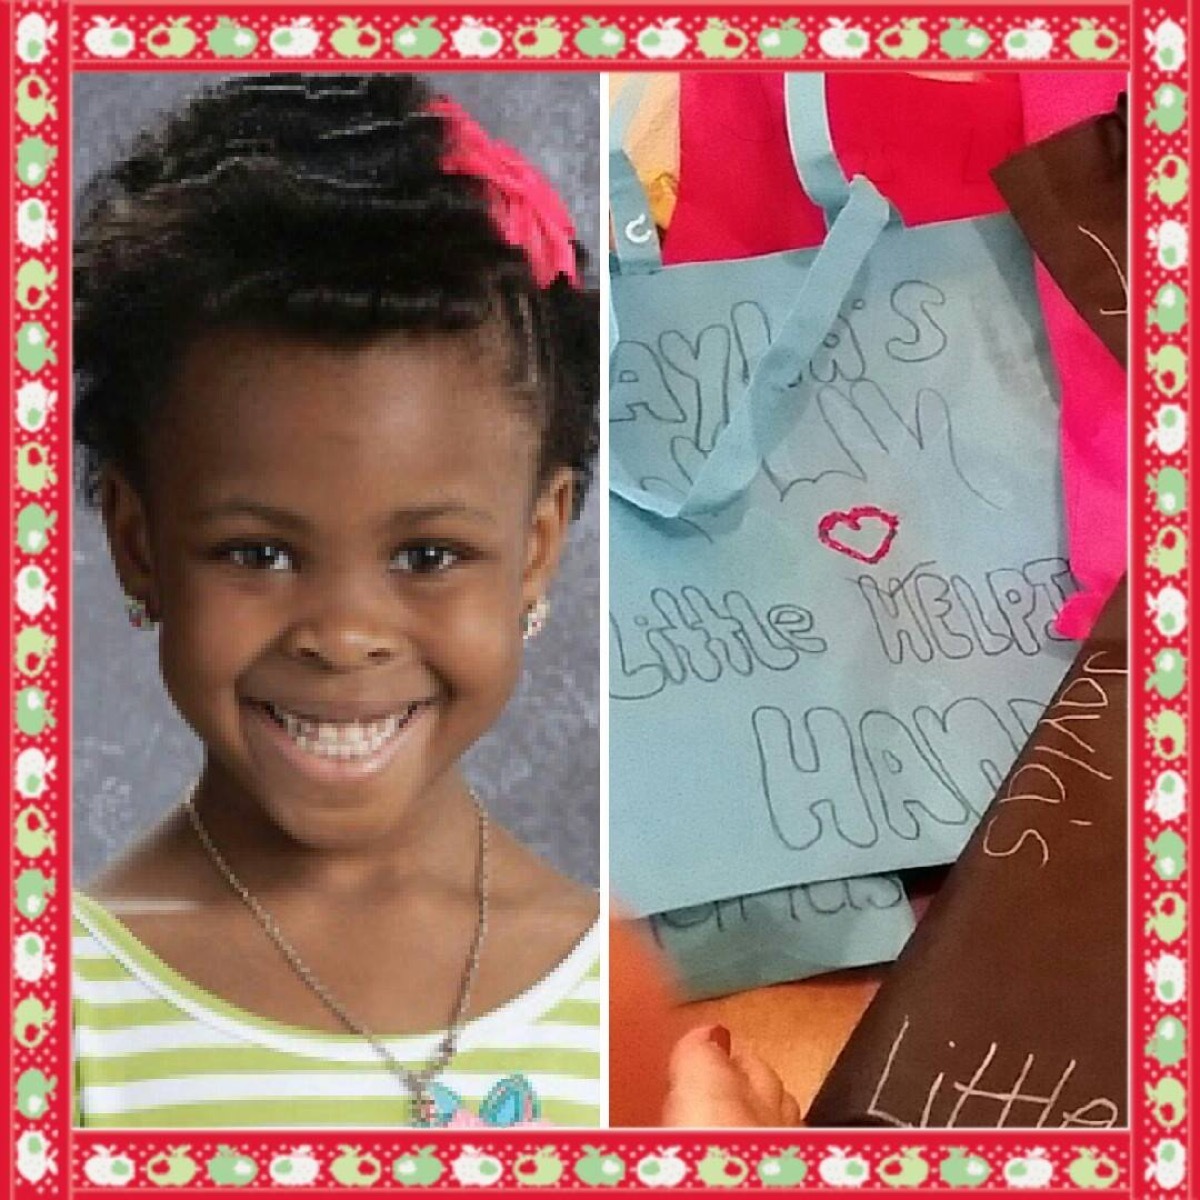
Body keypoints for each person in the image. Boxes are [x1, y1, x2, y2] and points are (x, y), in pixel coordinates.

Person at [71, 74, 600, 1129]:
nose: (345, 635)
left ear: (536, 546)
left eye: (428, 554)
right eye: (259, 551)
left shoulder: (621, 986)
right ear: (139, 543)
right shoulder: (61, 1017)